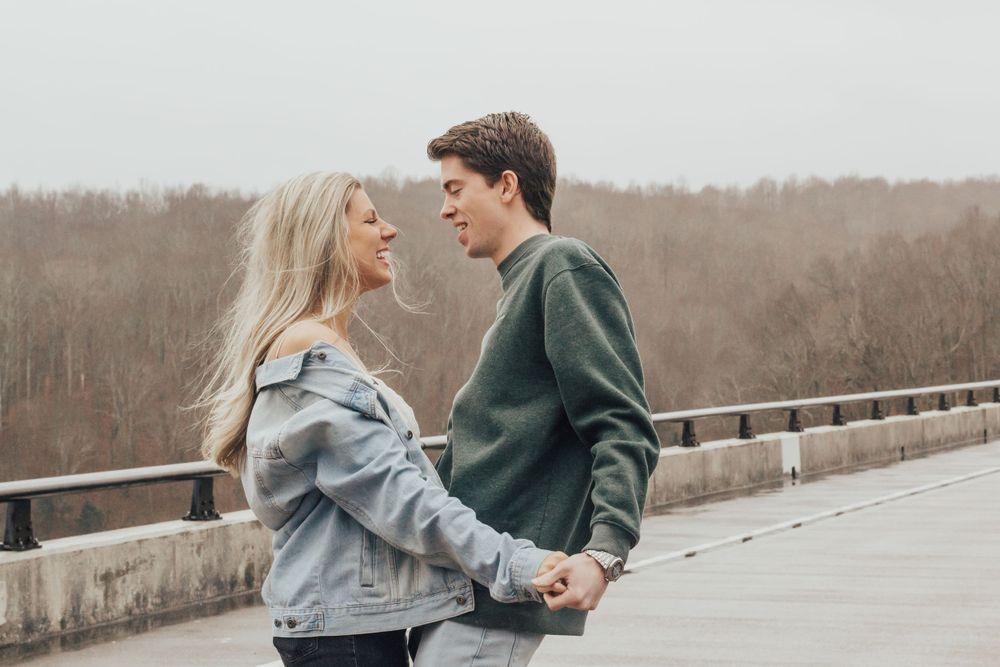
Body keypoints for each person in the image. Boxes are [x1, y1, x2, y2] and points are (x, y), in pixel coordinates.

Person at [194, 171, 567, 667]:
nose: (390, 230)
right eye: (370, 220)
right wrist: (520, 564)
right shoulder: (309, 353)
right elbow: (404, 501)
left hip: (347, 626)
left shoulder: (319, 349)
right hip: (344, 637)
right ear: (325, 239)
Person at [408, 112, 661, 666]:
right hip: (468, 592)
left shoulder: (562, 267)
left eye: (455, 189)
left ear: (506, 185)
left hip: (496, 606)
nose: (445, 208)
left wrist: (605, 552)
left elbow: (622, 424)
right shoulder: (522, 282)